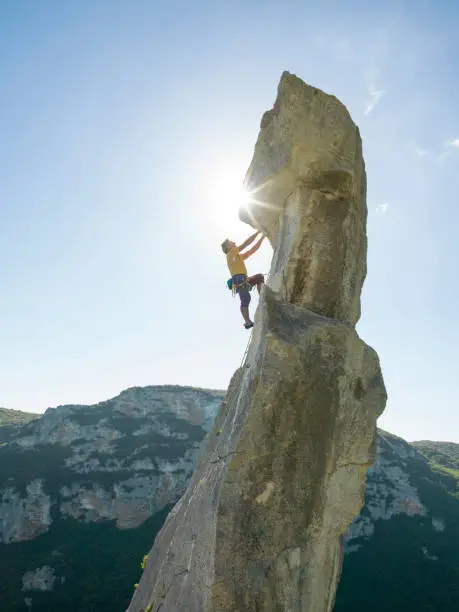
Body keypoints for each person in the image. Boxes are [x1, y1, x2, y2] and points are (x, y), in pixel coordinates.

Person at [221, 231, 265, 329]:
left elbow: (252, 250)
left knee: (259, 277)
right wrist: (258, 232)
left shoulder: (237, 256)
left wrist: (262, 237)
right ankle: (247, 322)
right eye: (231, 242)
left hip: (244, 279)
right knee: (245, 299)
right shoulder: (230, 253)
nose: (234, 242)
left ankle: (262, 297)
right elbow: (246, 244)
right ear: (228, 247)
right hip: (238, 280)